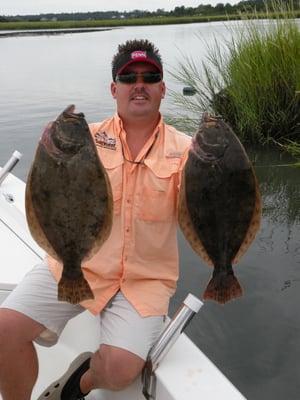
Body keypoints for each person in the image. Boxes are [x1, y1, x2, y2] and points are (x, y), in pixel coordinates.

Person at [0, 39, 191, 399]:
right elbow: (46, 196)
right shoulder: (83, 139)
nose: (139, 84)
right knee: (4, 329)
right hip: (77, 261)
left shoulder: (188, 152)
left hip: (145, 279)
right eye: (128, 77)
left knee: (120, 371)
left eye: (149, 76)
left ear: (162, 88)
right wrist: (48, 147)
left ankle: (78, 383)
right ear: (114, 88)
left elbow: (200, 213)